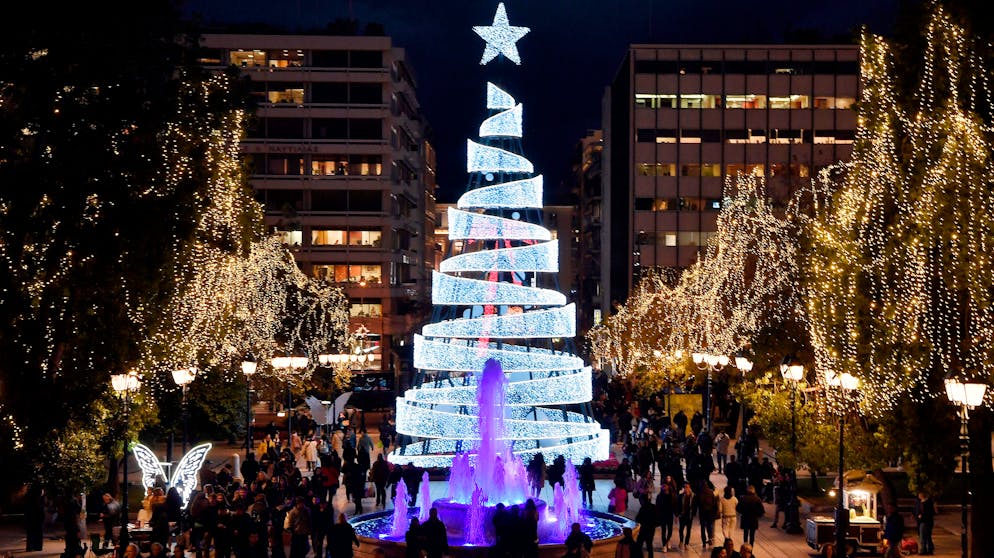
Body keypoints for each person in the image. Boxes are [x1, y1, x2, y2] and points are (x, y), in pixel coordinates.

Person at [694, 481, 717, 547]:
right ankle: (710, 539)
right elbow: (714, 502)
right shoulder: (710, 492)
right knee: (709, 526)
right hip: (710, 512)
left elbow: (697, 503)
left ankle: (704, 542)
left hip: (702, 512)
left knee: (702, 527)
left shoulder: (699, 493)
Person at [655, 483, 675, 552]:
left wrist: (676, 515)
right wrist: (657, 515)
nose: (664, 487)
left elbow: (674, 505)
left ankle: (667, 541)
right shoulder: (659, 496)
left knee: (670, 531)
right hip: (662, 515)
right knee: (663, 531)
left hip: (669, 515)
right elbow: (657, 507)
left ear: (668, 487)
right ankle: (664, 545)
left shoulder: (672, 495)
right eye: (663, 486)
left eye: (665, 486)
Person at [675, 483, 695, 548]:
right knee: (681, 530)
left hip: (689, 516)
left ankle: (686, 543)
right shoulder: (680, 496)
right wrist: (677, 515)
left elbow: (695, 506)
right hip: (682, 516)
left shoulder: (693, 496)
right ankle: (681, 541)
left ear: (690, 488)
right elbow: (677, 506)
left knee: (688, 530)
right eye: (685, 487)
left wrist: (693, 514)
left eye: (687, 487)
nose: (686, 488)